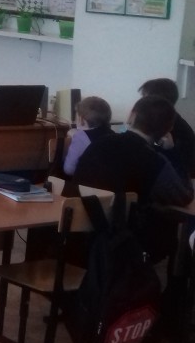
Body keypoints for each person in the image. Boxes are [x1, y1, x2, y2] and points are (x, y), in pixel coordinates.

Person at [72, 95, 194, 261]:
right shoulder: (154, 160)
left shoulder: (98, 144)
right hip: (129, 244)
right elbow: (183, 197)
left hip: (82, 239)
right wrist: (172, 152)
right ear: (168, 130)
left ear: (132, 116)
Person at [138, 77, 195, 179]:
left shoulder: (171, 125)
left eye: (144, 97)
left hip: (172, 179)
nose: (141, 101)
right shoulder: (163, 120)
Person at [61, 96, 113, 176]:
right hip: (109, 180)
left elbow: (69, 169)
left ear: (81, 119)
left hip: (87, 181)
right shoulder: (113, 134)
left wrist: (77, 134)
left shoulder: (80, 137)